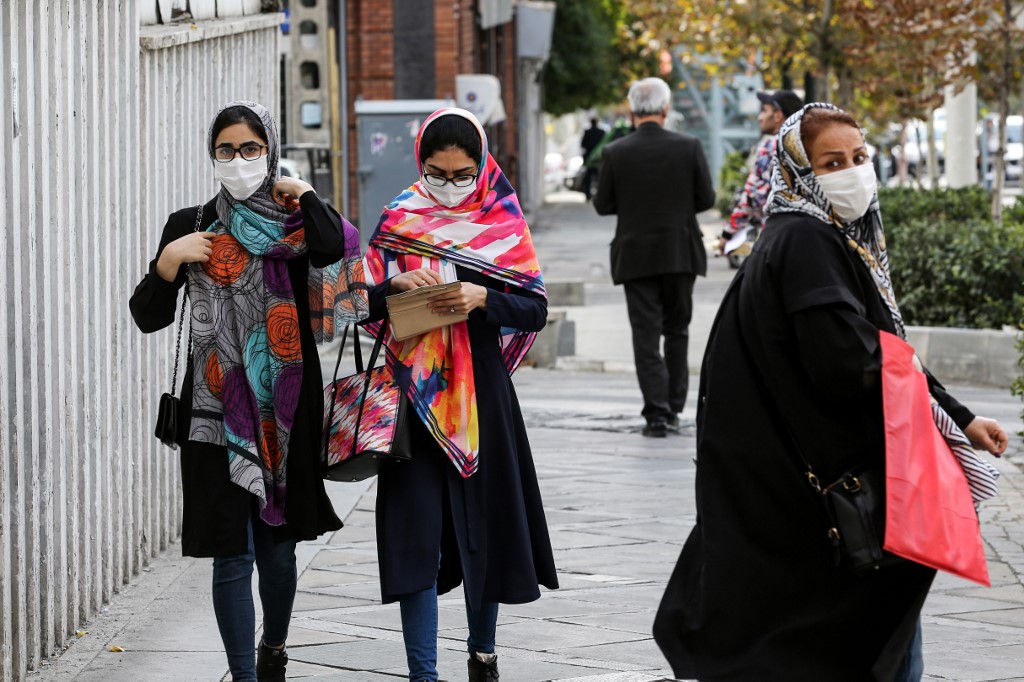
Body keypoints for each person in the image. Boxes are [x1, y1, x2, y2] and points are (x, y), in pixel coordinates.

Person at [653, 103, 1008, 681]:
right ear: (798, 172)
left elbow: (879, 346)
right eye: (831, 162)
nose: (852, 172)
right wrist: (930, 407)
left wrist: (958, 418)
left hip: (798, 483)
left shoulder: (800, 235)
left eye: (860, 158)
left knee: (872, 634)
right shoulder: (807, 241)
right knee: (875, 637)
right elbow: (849, 361)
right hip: (829, 486)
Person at [130, 101, 367, 682]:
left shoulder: (295, 224)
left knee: (278, 549)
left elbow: (337, 247)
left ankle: (274, 648)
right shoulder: (190, 225)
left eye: (251, 149)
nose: (238, 160)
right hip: (214, 412)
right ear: (212, 154)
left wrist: (306, 195)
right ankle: (243, 674)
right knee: (231, 555)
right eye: (226, 150)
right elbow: (146, 317)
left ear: (271, 151)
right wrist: (168, 263)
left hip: (287, 407)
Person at [361, 107, 558, 682]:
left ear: (482, 165)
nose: (449, 187)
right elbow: (354, 304)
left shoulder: (502, 216)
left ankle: (483, 653)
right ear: (420, 161)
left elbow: (535, 308)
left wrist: (480, 298)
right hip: (410, 398)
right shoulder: (398, 215)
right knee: (413, 535)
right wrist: (393, 284)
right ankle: (423, 672)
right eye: (437, 173)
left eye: (462, 173)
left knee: (484, 530)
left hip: (483, 398)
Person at [593, 77, 715, 438]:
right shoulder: (689, 146)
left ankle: (656, 414)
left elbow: (603, 205)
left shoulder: (616, 152)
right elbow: (706, 199)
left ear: (632, 112)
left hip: (635, 255)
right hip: (680, 251)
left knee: (645, 337)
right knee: (677, 330)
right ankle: (676, 407)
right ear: (665, 109)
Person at [717, 89, 804, 257]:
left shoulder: (770, 147)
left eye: (764, 111)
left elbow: (753, 197)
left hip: (776, 235)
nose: (760, 117)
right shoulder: (807, 144)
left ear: (778, 115)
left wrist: (728, 233)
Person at [580, 117, 605, 200]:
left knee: (588, 177)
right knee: (600, 178)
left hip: (590, 159)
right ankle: (600, 195)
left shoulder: (587, 132)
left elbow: (583, 145)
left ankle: (588, 195)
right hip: (599, 158)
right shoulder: (602, 132)